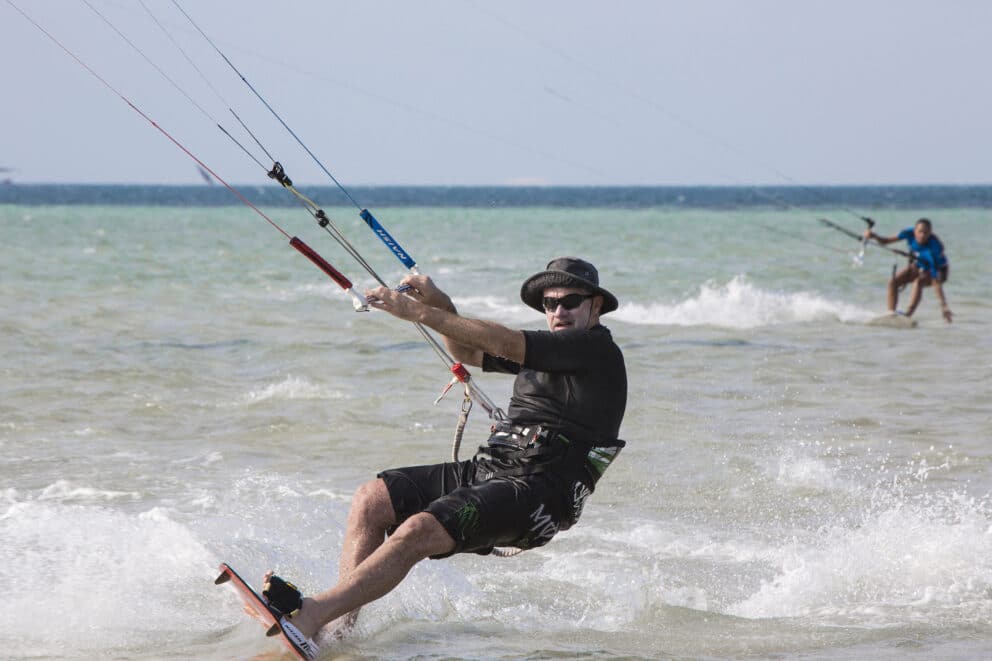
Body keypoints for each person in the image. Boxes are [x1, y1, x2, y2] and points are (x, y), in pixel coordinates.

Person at [260, 257, 628, 657]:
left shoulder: (596, 351)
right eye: (549, 303)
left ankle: (312, 613)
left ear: (595, 306)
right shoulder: (550, 353)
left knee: (419, 530)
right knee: (372, 499)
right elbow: (469, 350)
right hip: (495, 469)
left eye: (571, 301)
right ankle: (332, 635)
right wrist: (442, 305)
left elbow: (505, 342)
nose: (558, 311)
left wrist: (420, 312)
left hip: (538, 494)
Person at [864, 218, 952, 322]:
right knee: (893, 282)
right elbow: (886, 241)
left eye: (926, 232)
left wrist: (944, 305)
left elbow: (935, 281)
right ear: (915, 230)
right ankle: (891, 314)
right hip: (919, 264)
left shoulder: (933, 249)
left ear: (930, 233)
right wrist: (874, 236)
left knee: (918, 282)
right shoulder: (908, 233)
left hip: (940, 271)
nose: (922, 235)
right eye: (920, 232)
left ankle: (907, 316)